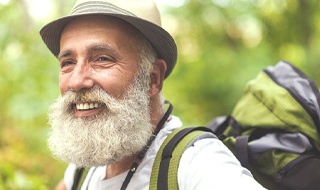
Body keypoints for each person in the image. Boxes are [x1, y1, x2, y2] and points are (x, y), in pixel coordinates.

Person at [40, 0, 266, 189]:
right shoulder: (86, 166)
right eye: (67, 63)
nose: (77, 81)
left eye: (102, 59)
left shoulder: (196, 163)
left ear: (153, 78)